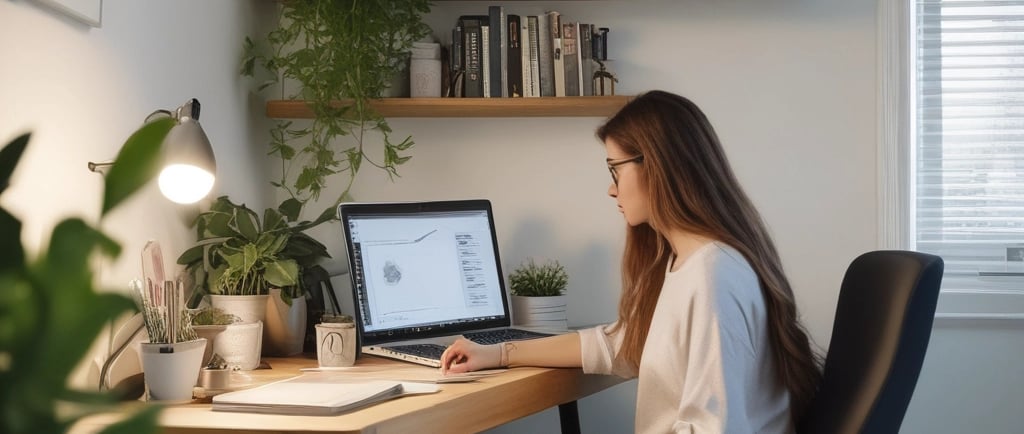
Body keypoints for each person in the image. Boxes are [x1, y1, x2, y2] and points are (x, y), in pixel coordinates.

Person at [440, 90, 822, 433]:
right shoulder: (685, 262)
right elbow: (621, 343)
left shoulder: (713, 275)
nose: (611, 188)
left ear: (656, 166)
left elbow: (713, 427)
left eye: (615, 169)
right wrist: (497, 353)